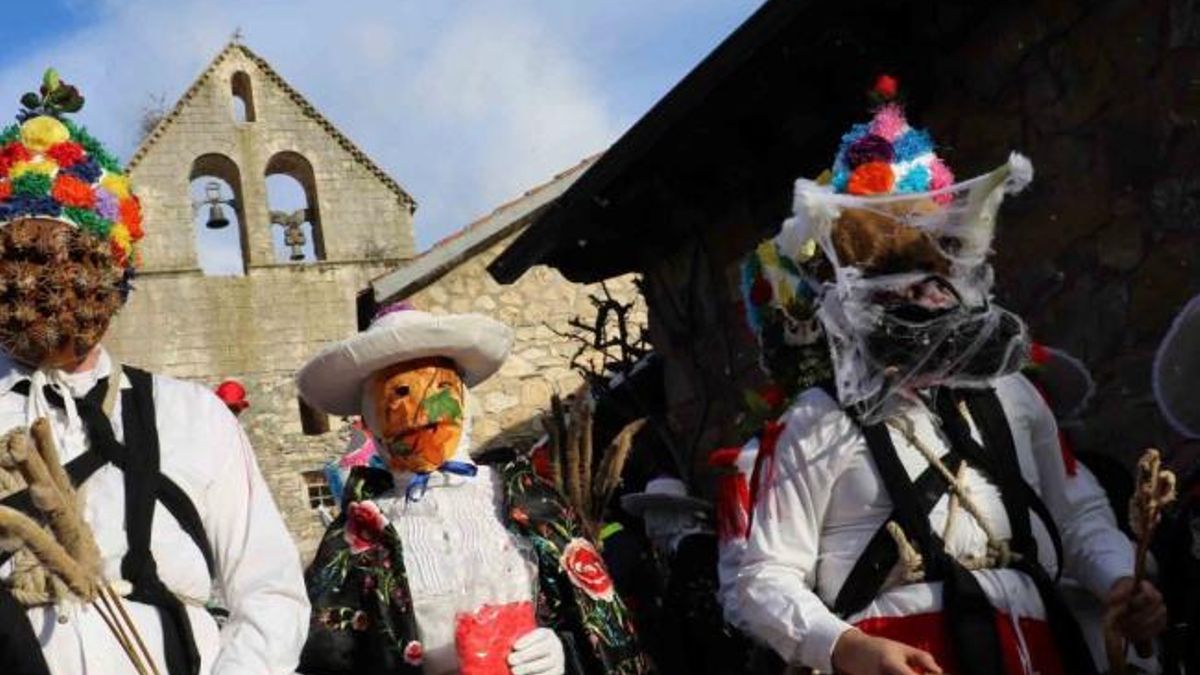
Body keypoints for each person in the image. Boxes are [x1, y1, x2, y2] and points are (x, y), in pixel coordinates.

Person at [726, 76, 1168, 675]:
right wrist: (848, 648)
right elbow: (763, 577)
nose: (926, 299)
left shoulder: (1014, 396)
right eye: (903, 284)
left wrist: (1120, 579)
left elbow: (1080, 515)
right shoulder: (817, 418)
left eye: (936, 276)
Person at [0, 70, 309, 674]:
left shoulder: (193, 415)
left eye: (69, 264)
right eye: (22, 263)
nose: (44, 288)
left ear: (113, 273)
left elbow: (269, 592)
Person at [295, 304, 650, 675]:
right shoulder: (358, 535)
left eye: (439, 387)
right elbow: (329, 656)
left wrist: (562, 650)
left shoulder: (528, 501)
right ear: (370, 419)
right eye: (396, 395)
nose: (418, 411)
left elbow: (597, 621)